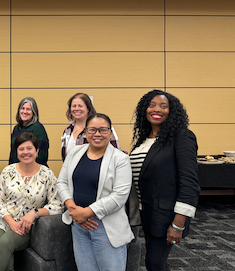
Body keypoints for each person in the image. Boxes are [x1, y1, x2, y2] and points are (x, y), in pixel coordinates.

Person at [130, 90, 200, 271]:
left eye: (163, 106)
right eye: (151, 105)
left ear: (172, 111)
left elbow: (190, 184)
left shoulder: (181, 136)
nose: (156, 109)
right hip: (146, 213)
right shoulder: (143, 141)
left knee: (154, 263)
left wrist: (178, 225)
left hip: (167, 216)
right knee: (157, 262)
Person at [57, 113, 134, 271]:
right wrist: (74, 209)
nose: (97, 134)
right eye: (92, 129)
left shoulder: (120, 159)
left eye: (103, 130)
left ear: (111, 133)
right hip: (78, 224)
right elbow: (62, 182)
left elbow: (119, 196)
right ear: (85, 132)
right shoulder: (75, 152)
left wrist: (87, 212)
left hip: (106, 226)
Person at [0, 132, 63, 271]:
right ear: (16, 152)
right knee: (6, 263)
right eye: (21, 149)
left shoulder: (47, 174)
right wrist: (11, 223)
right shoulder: (7, 172)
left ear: (37, 151)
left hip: (26, 226)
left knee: (6, 243)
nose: (25, 152)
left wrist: (35, 213)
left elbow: (57, 205)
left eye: (29, 148)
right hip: (1, 222)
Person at [61, 93, 120, 161]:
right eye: (74, 106)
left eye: (80, 106)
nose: (77, 109)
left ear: (88, 108)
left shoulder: (104, 127)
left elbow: (116, 152)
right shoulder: (68, 130)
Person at [9, 97, 49, 166]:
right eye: (22, 108)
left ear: (34, 112)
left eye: (28, 109)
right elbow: (13, 153)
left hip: (33, 171)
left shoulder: (38, 128)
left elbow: (41, 155)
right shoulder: (16, 128)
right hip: (17, 171)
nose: (24, 111)